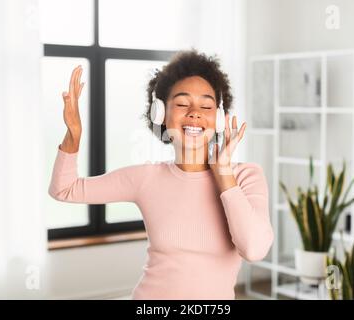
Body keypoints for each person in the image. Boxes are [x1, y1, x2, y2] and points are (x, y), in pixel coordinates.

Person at [48, 49, 274, 299]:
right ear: (161, 113)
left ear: (219, 117)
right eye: (181, 103)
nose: (195, 113)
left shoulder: (245, 177)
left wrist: (223, 175)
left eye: (206, 105)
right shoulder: (147, 178)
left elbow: (254, 249)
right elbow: (64, 189)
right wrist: (74, 136)